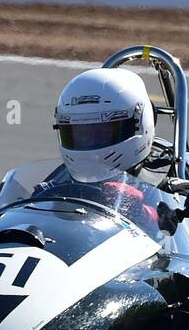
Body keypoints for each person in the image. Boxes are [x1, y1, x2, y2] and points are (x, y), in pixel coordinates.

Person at [52, 67, 161, 232]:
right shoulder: (60, 178)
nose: (89, 143)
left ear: (139, 124)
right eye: (81, 135)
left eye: (103, 133)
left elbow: (175, 228)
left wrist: (141, 212)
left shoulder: (162, 179)